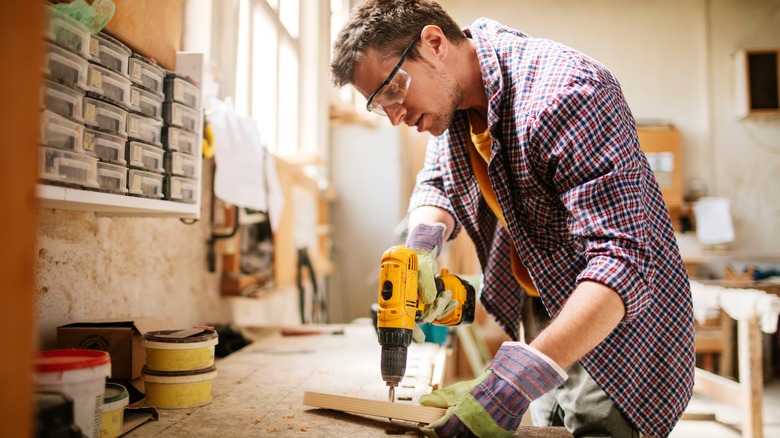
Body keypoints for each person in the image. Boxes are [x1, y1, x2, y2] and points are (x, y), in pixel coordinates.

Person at [331, 1, 695, 437]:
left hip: (611, 317)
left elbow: (621, 264)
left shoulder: (567, 93)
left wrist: (515, 381)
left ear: (433, 43)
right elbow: (438, 183)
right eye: (377, 104)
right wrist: (421, 249)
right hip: (540, 303)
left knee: (597, 428)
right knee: (548, 430)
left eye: (392, 90)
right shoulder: (454, 106)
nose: (394, 115)